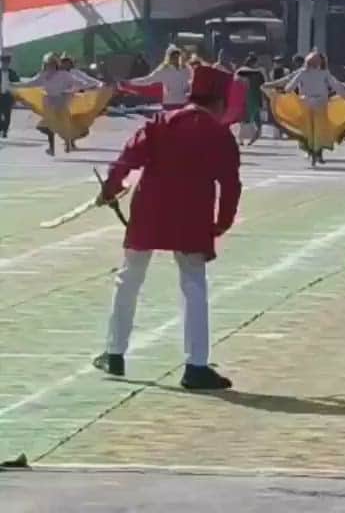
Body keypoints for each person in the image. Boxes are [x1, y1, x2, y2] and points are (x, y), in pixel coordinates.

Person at [92, 65, 241, 390]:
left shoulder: (161, 123)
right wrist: (222, 221)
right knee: (193, 284)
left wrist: (110, 189)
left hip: (150, 210)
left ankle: (114, 353)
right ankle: (196, 366)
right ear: (218, 100)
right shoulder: (220, 134)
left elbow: (127, 158)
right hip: (192, 215)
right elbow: (230, 185)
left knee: (129, 277)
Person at [13, 52, 106, 155]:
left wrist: (72, 90)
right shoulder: (43, 75)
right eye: (48, 64)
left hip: (61, 102)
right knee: (47, 126)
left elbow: (82, 83)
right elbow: (30, 83)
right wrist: (12, 84)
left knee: (64, 124)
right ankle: (54, 147)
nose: (50, 66)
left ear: (57, 64)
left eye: (52, 64)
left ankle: (68, 144)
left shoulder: (65, 75)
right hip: (49, 102)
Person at [268, 51, 345, 165]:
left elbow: (290, 86)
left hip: (305, 103)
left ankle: (311, 151)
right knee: (320, 129)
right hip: (320, 104)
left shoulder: (303, 73)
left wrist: (284, 92)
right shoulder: (324, 73)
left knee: (307, 129)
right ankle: (318, 153)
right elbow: (335, 85)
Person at [128, 45, 191, 111]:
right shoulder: (187, 70)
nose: (176, 59)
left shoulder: (164, 70)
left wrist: (131, 82)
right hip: (181, 103)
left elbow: (147, 80)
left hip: (170, 103)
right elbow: (190, 85)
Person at [235, 54, 268, 146]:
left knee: (244, 121)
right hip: (255, 99)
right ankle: (248, 140)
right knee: (256, 122)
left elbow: (235, 84)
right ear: (255, 63)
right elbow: (263, 86)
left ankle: (241, 140)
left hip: (245, 99)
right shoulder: (258, 73)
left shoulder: (240, 71)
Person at [0, 52, 17, 138]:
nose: (5, 64)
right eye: (3, 62)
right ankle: (1, 127)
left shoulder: (12, 73)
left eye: (7, 62)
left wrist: (15, 97)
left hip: (8, 96)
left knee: (7, 115)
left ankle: (5, 131)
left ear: (9, 63)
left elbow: (18, 85)